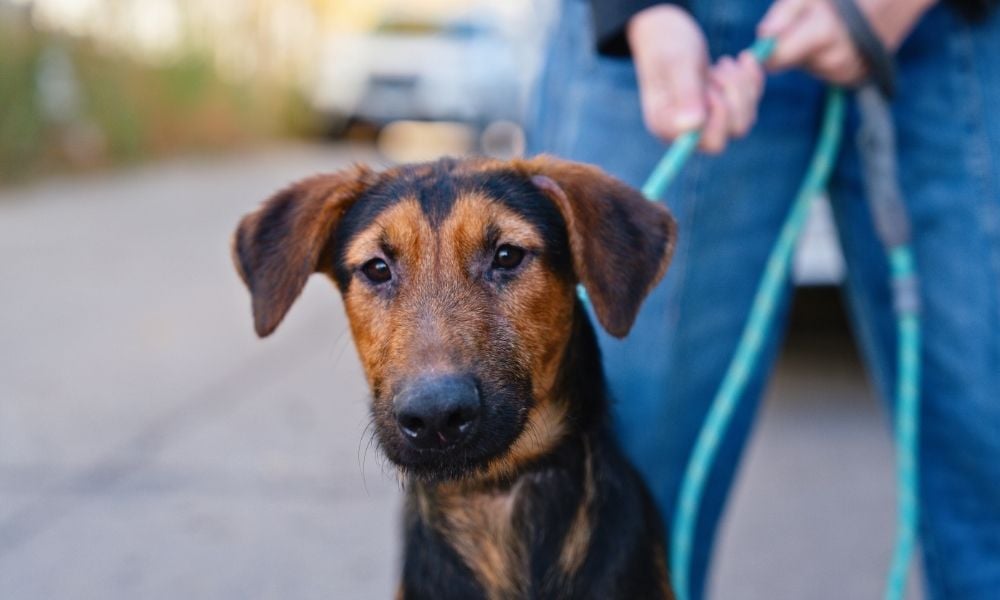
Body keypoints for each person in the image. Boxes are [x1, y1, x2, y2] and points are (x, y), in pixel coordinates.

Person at [527, 0, 1000, 598]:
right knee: (597, 505)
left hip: (952, 26)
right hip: (677, 22)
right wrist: (639, 12)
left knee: (989, 483)